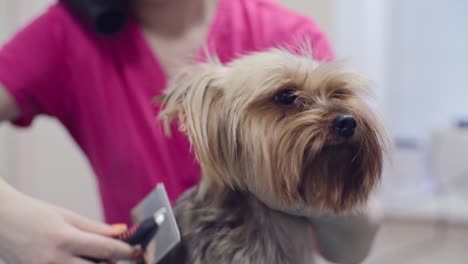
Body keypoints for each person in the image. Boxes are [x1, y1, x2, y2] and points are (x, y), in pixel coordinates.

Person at [0, 0, 382, 263]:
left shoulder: (283, 30)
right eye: (286, 98)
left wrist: (316, 198)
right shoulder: (67, 34)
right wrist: (10, 218)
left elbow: (351, 247)